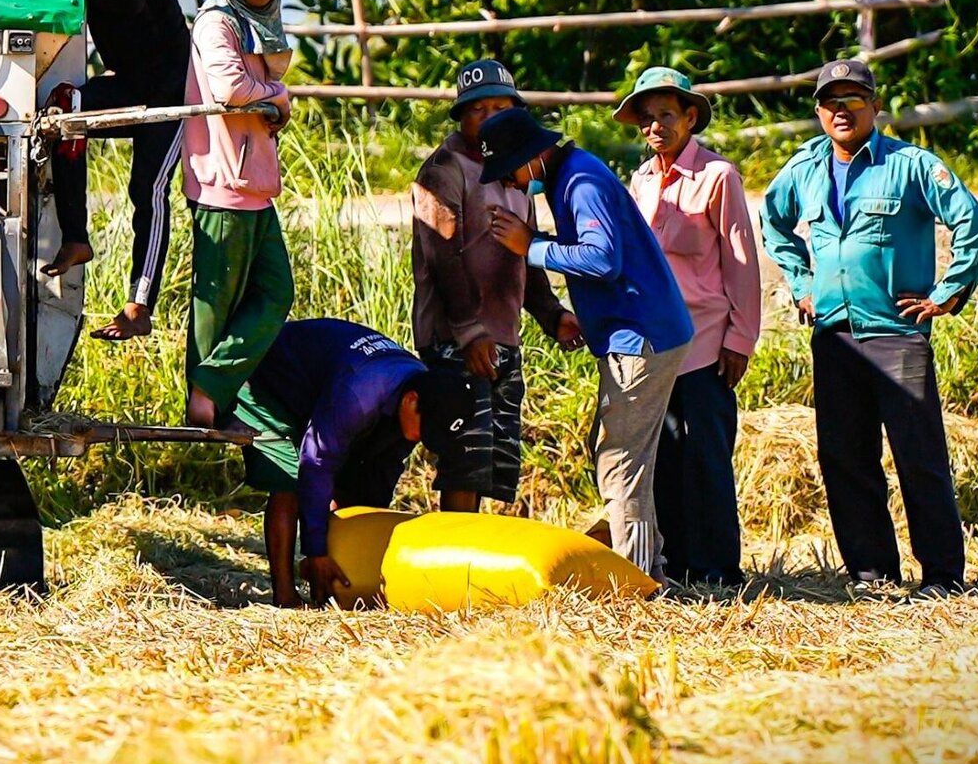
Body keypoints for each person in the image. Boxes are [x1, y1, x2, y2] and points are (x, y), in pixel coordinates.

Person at [760, 58, 978, 598]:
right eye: (831, 101)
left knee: (919, 457)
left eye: (854, 99)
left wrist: (946, 294)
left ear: (875, 107)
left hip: (896, 331)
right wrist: (800, 283)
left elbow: (971, 221)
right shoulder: (804, 169)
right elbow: (772, 222)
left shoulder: (910, 165)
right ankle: (872, 575)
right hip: (834, 334)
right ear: (819, 111)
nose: (842, 110)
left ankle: (941, 576)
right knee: (845, 457)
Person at [479, 106, 693, 580]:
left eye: (510, 172)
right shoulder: (567, 177)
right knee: (624, 454)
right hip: (635, 331)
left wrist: (530, 245)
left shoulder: (580, 182)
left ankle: (635, 581)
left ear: (531, 156)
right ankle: (648, 565)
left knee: (621, 463)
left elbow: (602, 260)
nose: (512, 185)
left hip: (641, 338)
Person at [412, 59, 582, 512]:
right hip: (456, 339)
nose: (489, 118)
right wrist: (469, 332)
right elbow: (443, 256)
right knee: (464, 457)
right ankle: (454, 564)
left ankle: (477, 561)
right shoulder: (443, 171)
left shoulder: (514, 173)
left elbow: (524, 257)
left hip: (503, 338)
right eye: (478, 109)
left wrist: (552, 315)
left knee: (495, 461)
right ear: (461, 117)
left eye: (500, 108)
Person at [618, 66, 761, 586]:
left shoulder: (718, 177)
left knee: (706, 457)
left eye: (666, 116)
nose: (655, 127)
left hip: (705, 339)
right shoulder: (642, 180)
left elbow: (741, 261)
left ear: (690, 117)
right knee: (665, 455)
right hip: (656, 344)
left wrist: (740, 339)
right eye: (647, 119)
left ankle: (718, 568)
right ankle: (676, 565)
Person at [231, 317, 479, 607]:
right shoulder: (360, 393)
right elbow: (316, 464)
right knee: (289, 479)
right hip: (267, 379)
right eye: (427, 431)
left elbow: (381, 471)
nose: (425, 440)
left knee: (355, 484)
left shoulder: (420, 392)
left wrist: (363, 539)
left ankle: (331, 587)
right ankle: (285, 596)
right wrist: (316, 552)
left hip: (322, 386)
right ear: (411, 402)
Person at [41, 0, 192, 340]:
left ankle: (139, 304)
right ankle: (76, 237)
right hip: (129, 81)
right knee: (64, 110)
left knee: (146, 188)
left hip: (171, 84)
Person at [181, 0, 296, 428]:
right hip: (223, 182)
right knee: (216, 305)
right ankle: (206, 405)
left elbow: (258, 89)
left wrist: (271, 97)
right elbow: (230, 88)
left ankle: (213, 388)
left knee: (275, 293)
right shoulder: (217, 23)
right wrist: (277, 97)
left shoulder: (256, 22)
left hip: (254, 186)